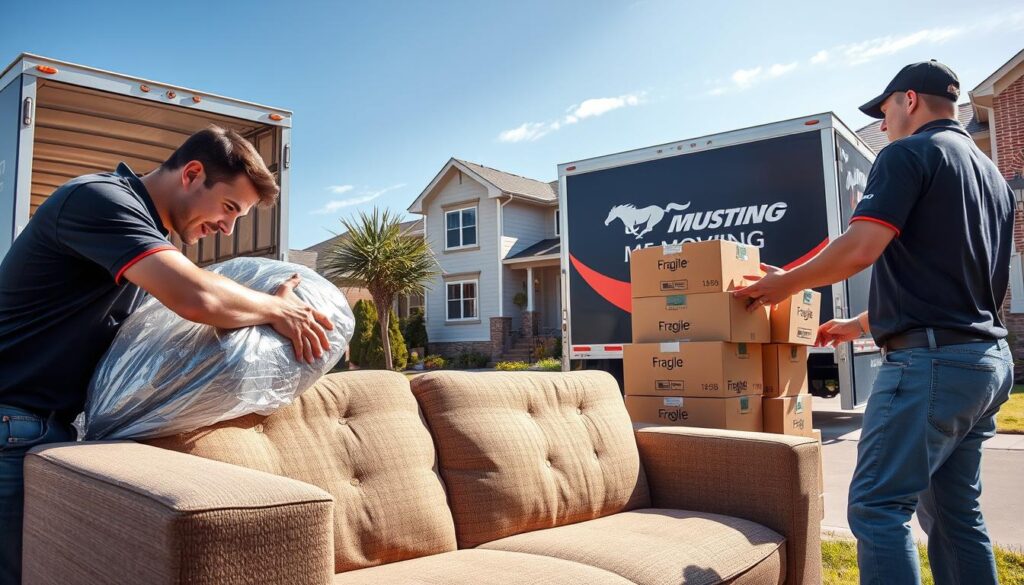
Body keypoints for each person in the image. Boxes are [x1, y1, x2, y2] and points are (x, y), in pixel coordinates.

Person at [0, 126, 333, 584]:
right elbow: (197, 297)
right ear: (192, 174)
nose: (228, 228)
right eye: (229, 207)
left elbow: (171, 320)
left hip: (42, 428)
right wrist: (278, 309)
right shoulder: (100, 200)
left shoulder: (148, 235)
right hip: (12, 422)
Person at [734, 60, 1015, 584]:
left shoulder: (908, 154)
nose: (882, 124)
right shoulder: (993, 179)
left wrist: (783, 283)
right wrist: (861, 323)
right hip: (985, 362)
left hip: (930, 365)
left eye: (884, 110)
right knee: (955, 516)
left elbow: (861, 247)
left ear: (910, 100)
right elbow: (960, 283)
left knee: (876, 506)